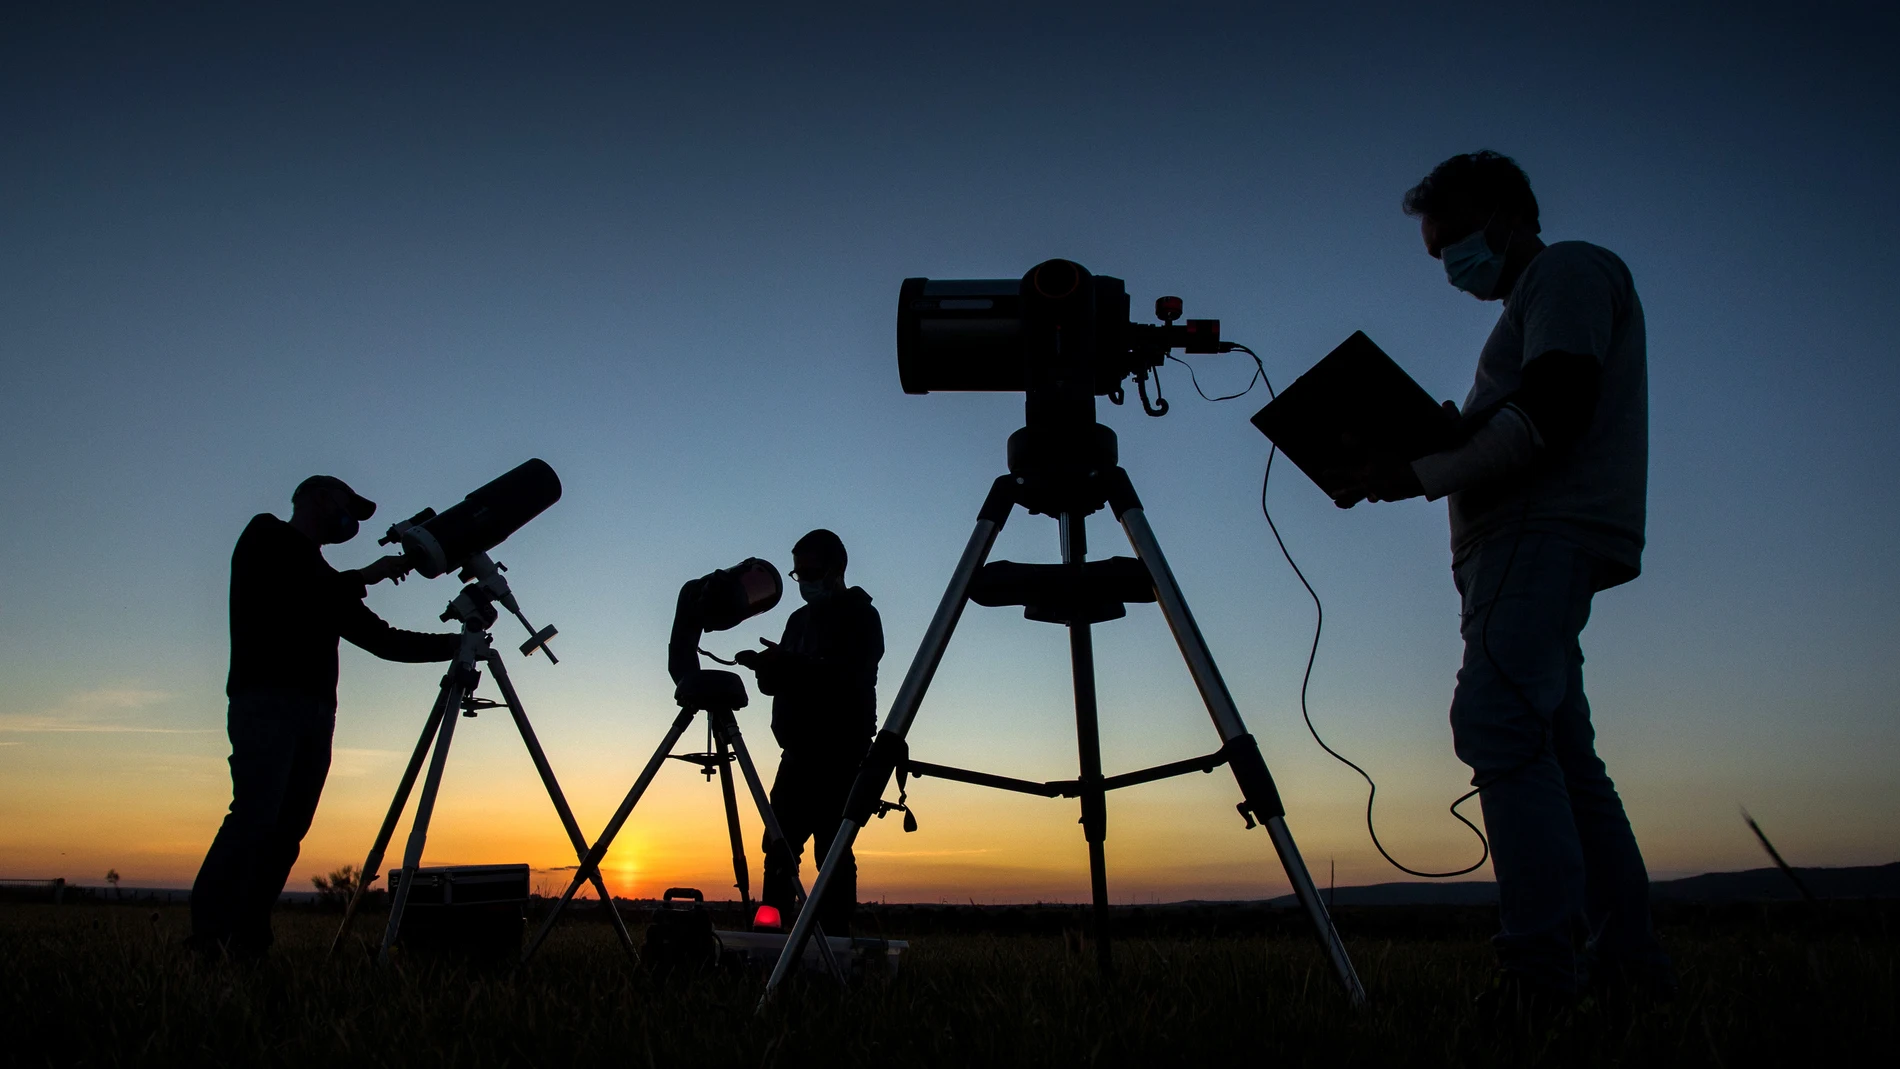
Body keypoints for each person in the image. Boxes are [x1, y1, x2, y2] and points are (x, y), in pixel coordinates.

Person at [1338, 151, 1671, 1003]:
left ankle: (1540, 981)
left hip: (1536, 534)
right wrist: (1451, 437)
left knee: (1497, 723)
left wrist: (1419, 469)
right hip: (1527, 544)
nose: (1449, 267)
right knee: (1562, 751)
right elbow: (1527, 410)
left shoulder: (1565, 271)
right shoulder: (1535, 300)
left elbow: (1555, 409)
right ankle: (1626, 969)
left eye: (1450, 242)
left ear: (1502, 213)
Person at [189, 475, 462, 958]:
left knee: (287, 830)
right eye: (348, 507)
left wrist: (458, 645)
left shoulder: (328, 581)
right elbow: (299, 590)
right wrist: (365, 576)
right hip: (267, 701)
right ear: (316, 497)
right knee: (255, 817)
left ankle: (248, 940)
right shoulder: (267, 537)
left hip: (316, 714)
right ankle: (207, 938)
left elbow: (383, 640)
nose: (352, 521)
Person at [734, 529, 882, 935]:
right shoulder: (798, 621)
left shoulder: (861, 616)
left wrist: (790, 665)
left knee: (832, 852)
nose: (804, 581)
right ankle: (771, 933)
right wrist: (768, 668)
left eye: (810, 571)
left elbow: (847, 676)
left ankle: (835, 939)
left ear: (837, 568)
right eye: (798, 574)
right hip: (796, 754)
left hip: (840, 755)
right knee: (778, 847)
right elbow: (783, 682)